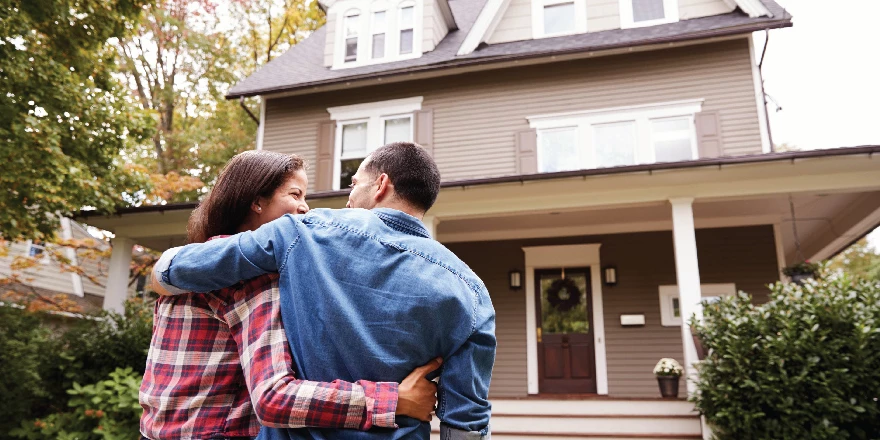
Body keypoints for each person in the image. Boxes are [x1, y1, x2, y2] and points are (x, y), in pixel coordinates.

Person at [153, 142, 496, 440]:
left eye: (353, 184)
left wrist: (162, 272)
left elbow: (190, 265)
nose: (348, 200)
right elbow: (466, 418)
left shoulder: (303, 233)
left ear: (381, 185)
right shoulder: (472, 292)